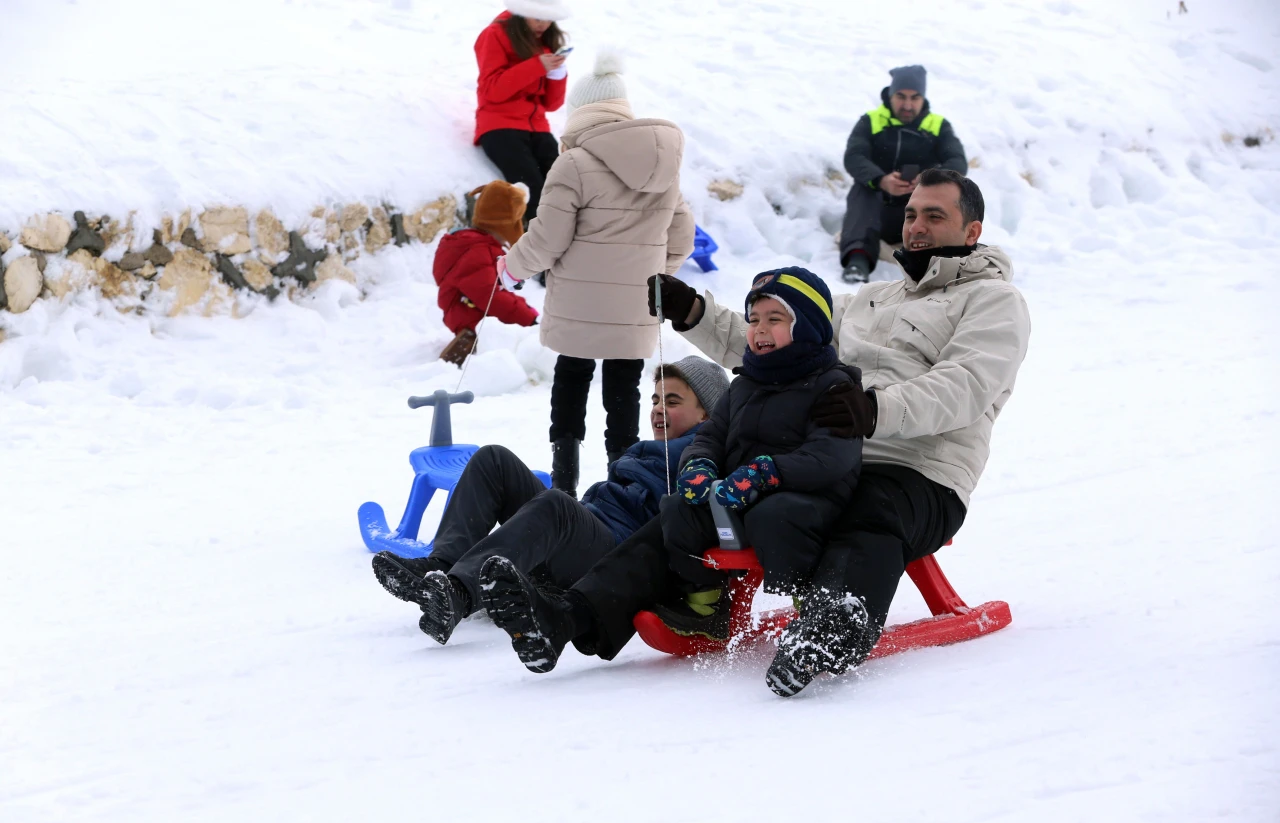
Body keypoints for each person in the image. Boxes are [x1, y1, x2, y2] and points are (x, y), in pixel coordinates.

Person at [479, 169, 1031, 697]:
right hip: (827, 457)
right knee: (689, 507)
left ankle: (830, 632)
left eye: (934, 215)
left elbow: (966, 386)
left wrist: (872, 410)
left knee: (871, 512)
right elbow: (786, 337)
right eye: (911, 213)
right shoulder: (874, 299)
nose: (915, 226)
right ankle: (568, 615)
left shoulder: (993, 301)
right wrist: (694, 312)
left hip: (919, 473)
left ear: (972, 230)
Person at [371, 356, 729, 645]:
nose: (657, 409)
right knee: (494, 460)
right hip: (584, 533)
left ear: (707, 415)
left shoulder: (700, 457)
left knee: (556, 503)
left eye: (673, 401)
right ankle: (442, 565)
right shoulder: (653, 448)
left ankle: (458, 594)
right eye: (655, 399)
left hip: (610, 557)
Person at [501, 51, 695, 496]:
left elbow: (547, 240)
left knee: (571, 379)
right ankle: (621, 489)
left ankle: (563, 488)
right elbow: (682, 237)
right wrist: (651, 275)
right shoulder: (664, 167)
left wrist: (510, 267)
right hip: (636, 305)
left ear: (581, 111)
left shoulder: (572, 163)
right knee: (624, 391)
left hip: (577, 304)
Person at [653, 268, 863, 642]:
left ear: (809, 326)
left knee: (776, 516)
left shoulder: (834, 385)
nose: (759, 329)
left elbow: (829, 457)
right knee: (677, 508)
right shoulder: (745, 382)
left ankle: (810, 605)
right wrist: (698, 464)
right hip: (737, 495)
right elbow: (712, 436)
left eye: (774, 319)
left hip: (811, 498)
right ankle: (706, 604)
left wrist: (768, 472)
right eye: (753, 320)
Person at [839, 65, 968, 284]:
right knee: (864, 188)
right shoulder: (870, 121)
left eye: (914, 98)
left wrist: (928, 180)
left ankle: (935, 263)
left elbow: (957, 162)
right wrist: (881, 180)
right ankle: (858, 259)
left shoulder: (938, 126)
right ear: (890, 94)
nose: (907, 105)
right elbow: (854, 156)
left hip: (918, 210)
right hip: (877, 211)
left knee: (946, 194)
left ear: (923, 98)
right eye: (901, 96)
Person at [473, 2, 571, 223]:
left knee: (564, 186)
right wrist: (536, 66)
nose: (543, 24)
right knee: (533, 190)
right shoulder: (495, 34)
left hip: (537, 127)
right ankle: (541, 249)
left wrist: (558, 75)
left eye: (548, 19)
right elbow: (492, 90)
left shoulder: (544, 41)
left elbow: (551, 104)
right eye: (537, 17)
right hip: (500, 126)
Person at [434, 181, 539, 366]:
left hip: (465, 308)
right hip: (468, 314)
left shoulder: (475, 244)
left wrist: (525, 309)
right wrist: (529, 319)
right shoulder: (477, 251)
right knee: (518, 338)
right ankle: (471, 343)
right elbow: (490, 297)